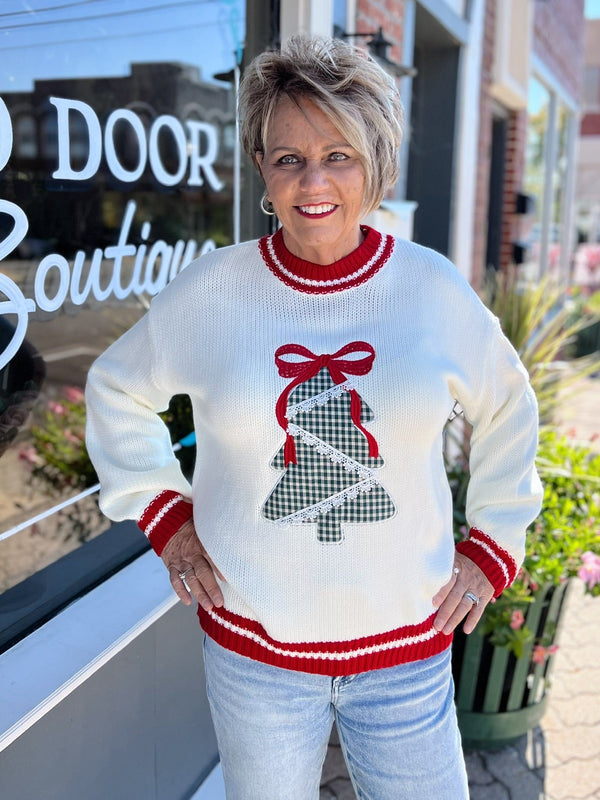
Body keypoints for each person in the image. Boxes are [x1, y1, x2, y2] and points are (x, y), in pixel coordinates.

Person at [85, 34, 543, 799]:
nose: (313, 181)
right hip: (255, 656)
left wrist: (493, 543)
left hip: (404, 652)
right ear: (263, 170)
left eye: (340, 155)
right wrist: (167, 520)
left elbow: (508, 406)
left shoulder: (429, 291)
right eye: (288, 157)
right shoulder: (212, 292)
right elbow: (115, 390)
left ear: (376, 165)